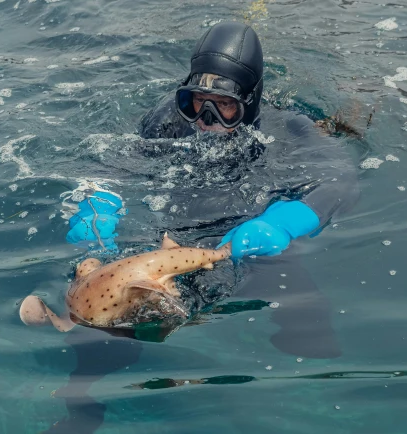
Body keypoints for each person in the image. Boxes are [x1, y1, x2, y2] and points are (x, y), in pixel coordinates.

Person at [64, 21, 360, 357]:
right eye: (197, 102)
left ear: (250, 102)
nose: (206, 117)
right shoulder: (170, 119)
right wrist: (97, 201)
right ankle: (83, 399)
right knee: (97, 323)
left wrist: (283, 222)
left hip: (246, 238)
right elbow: (111, 162)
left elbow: (341, 181)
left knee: (307, 317)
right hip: (166, 234)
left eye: (224, 105)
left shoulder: (289, 130)